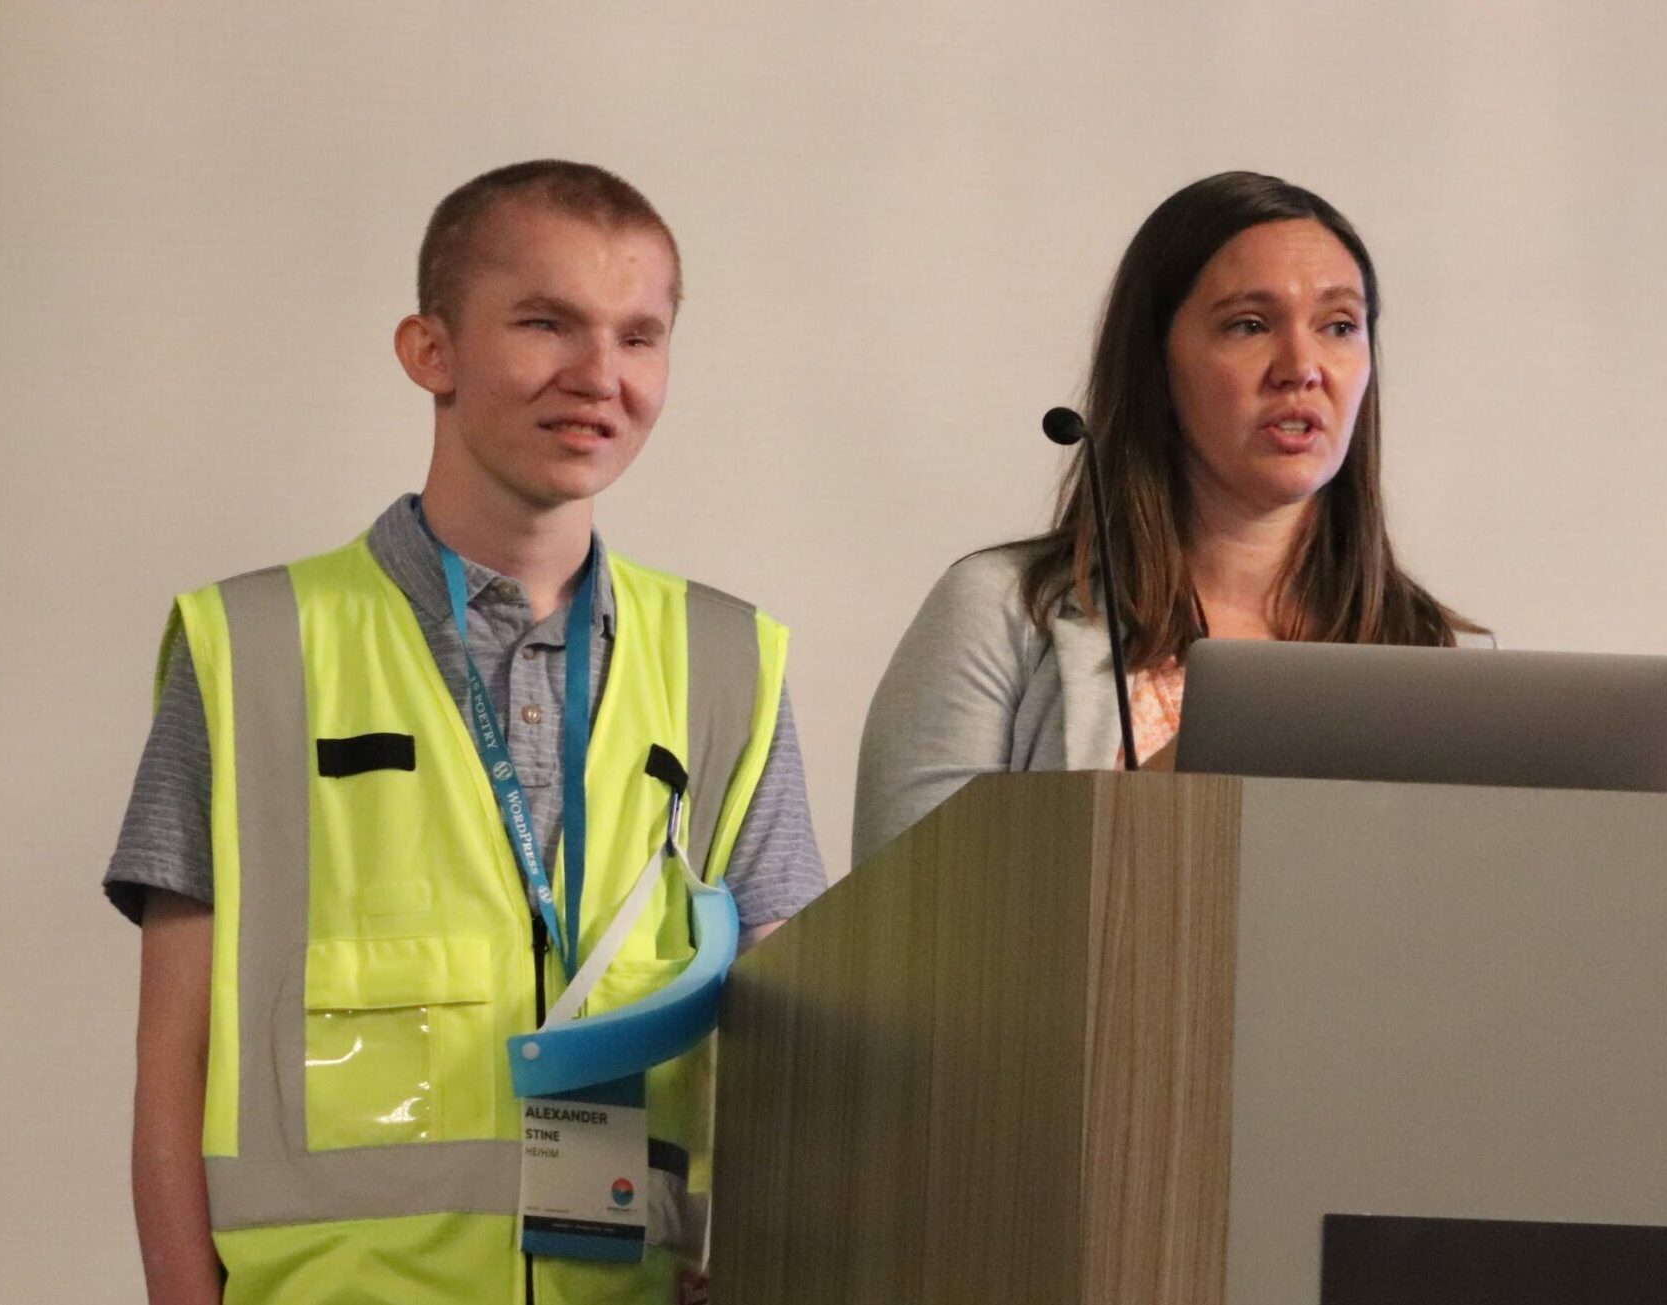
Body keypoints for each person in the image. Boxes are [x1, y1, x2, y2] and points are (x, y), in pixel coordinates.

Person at [106, 160, 826, 1304]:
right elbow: (172, 1062)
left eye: (640, 337)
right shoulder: (248, 648)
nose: (600, 376)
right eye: (546, 324)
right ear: (429, 350)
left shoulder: (732, 661)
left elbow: (793, 1036)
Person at [854, 170, 1487, 866]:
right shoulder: (1002, 611)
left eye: (1339, 326)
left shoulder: (1430, 658)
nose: (1302, 368)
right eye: (1248, 324)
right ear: (1156, 363)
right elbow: (901, 921)